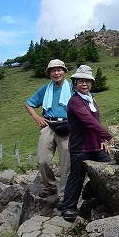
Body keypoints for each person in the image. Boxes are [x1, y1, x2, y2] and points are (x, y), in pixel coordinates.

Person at [59, 64, 115, 221]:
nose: (84, 84)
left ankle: (92, 194)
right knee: (76, 177)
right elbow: (89, 122)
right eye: (81, 81)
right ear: (75, 83)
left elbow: (95, 121)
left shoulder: (91, 99)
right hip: (80, 147)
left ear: (92, 83)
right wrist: (108, 136)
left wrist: (101, 140)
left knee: (110, 166)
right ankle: (68, 208)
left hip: (96, 146)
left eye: (88, 81)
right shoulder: (75, 101)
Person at [25, 59, 73, 197]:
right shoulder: (45, 89)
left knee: (66, 160)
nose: (56, 73)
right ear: (49, 73)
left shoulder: (71, 88)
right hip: (49, 125)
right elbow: (29, 104)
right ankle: (51, 185)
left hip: (67, 125)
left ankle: (65, 191)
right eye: (53, 70)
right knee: (42, 159)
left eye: (59, 70)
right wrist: (37, 118)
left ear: (64, 72)